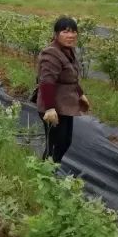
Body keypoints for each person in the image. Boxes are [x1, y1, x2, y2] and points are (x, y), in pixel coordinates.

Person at [36, 16, 90, 163]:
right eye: (65, 32)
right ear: (56, 34)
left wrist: (80, 93)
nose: (70, 35)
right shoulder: (51, 53)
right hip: (53, 106)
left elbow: (70, 77)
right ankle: (45, 174)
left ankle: (51, 171)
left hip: (65, 105)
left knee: (65, 142)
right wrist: (49, 108)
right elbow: (46, 82)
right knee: (55, 144)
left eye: (73, 32)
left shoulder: (68, 51)